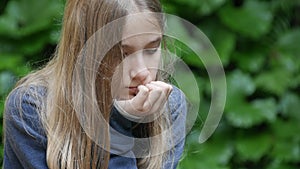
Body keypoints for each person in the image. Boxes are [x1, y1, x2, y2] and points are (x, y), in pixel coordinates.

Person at [3, 0, 187, 168]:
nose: (142, 72)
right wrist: (120, 124)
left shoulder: (170, 107)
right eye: (122, 54)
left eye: (151, 49)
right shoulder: (32, 108)